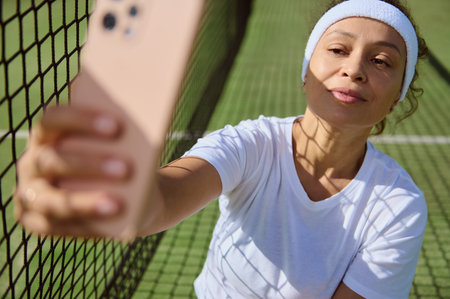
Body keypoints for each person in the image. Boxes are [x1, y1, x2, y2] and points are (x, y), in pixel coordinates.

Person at [14, 0, 429, 297]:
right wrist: (115, 194)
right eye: (338, 50)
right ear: (307, 73)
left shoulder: (400, 205)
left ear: (397, 95)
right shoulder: (250, 143)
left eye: (382, 62)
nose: (354, 69)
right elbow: (160, 201)